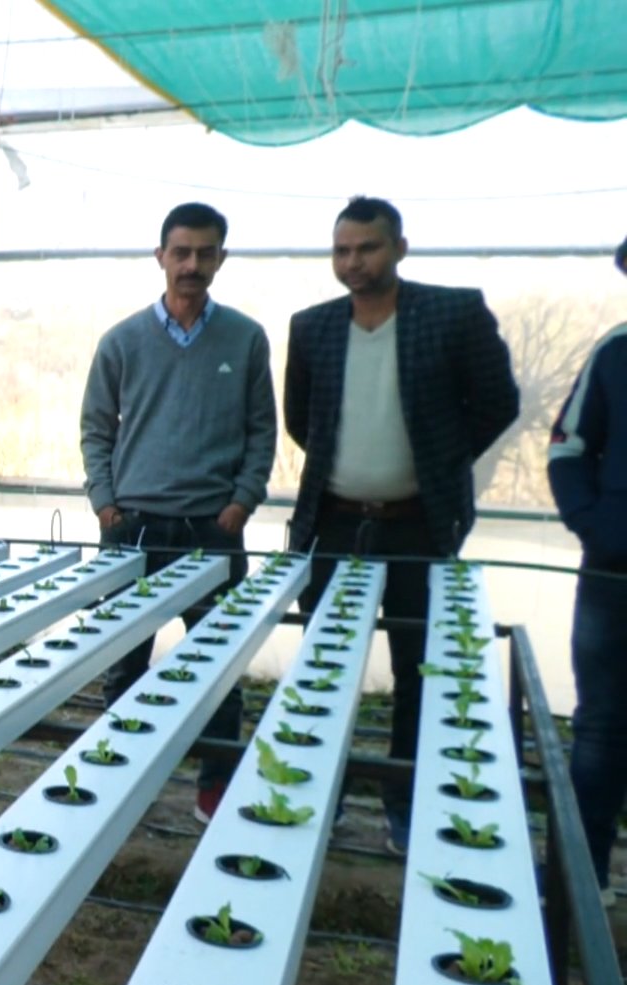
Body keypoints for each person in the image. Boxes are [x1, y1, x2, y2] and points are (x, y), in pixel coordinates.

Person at [284, 195, 519, 855]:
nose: (354, 262)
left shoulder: (452, 314)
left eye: (368, 248)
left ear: (400, 249)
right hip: (332, 523)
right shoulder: (313, 327)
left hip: (419, 523)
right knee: (327, 667)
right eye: (342, 250)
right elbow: (301, 420)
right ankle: (315, 796)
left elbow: (498, 402)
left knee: (419, 669)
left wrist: (439, 459)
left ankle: (404, 805)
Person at [80, 202, 276, 824]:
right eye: (181, 252)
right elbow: (95, 429)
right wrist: (105, 503)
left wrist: (241, 503)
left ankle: (214, 785)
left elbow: (261, 430)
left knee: (218, 664)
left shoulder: (244, 339)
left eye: (205, 252)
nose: (192, 264)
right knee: (123, 660)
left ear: (221, 257)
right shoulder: (122, 342)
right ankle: (118, 777)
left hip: (211, 531)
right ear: (160, 256)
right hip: (132, 527)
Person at [547, 234, 627, 908]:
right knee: (600, 725)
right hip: (613, 573)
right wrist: (597, 526)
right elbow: (568, 448)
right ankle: (585, 876)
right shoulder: (614, 353)